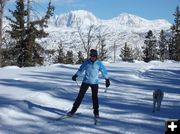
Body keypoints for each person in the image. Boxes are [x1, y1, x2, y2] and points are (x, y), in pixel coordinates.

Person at [67, 49, 110, 118]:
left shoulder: (99, 63)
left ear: (96, 56)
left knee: (95, 97)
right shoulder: (86, 62)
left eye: (94, 55)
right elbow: (81, 70)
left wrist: (107, 79)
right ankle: (73, 111)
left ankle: (96, 112)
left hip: (95, 83)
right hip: (85, 82)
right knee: (80, 97)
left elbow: (104, 71)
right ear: (90, 56)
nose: (93, 57)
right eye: (91, 55)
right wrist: (76, 75)